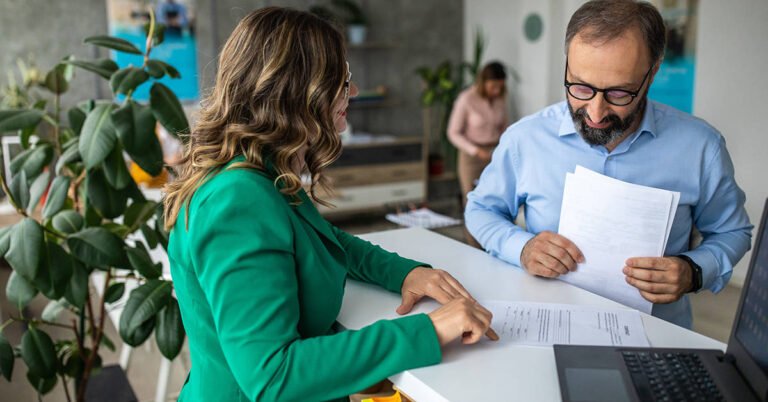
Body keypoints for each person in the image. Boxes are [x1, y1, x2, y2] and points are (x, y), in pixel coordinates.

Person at [162, 7, 497, 402]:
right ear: (298, 91)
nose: (352, 93)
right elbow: (273, 376)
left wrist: (405, 274)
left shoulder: (259, 170)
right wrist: (428, 331)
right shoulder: (240, 199)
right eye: (342, 80)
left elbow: (320, 239)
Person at [465, 0, 752, 329]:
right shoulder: (525, 139)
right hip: (544, 329)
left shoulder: (701, 147)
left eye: (619, 93)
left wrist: (693, 270)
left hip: (657, 337)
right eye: (580, 87)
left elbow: (732, 231)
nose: (595, 112)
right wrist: (522, 247)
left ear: (653, 72)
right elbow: (480, 209)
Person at [447, 61, 509, 247]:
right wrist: (476, 151)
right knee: (473, 202)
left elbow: (505, 127)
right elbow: (453, 132)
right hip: (471, 156)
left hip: (494, 154)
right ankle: (474, 247)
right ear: (483, 82)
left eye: (500, 86)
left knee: (497, 199)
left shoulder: (500, 100)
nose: (497, 91)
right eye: (493, 86)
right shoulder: (466, 99)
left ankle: (495, 245)